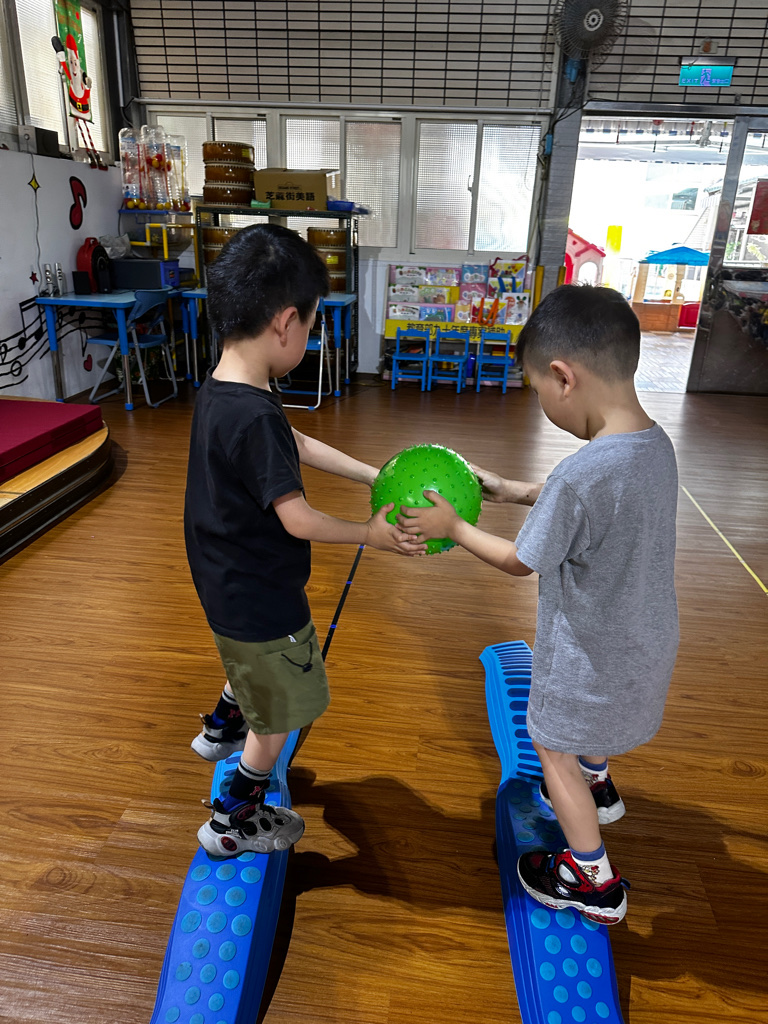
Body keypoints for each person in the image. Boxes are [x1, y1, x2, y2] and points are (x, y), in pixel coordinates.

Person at [398, 285, 678, 924]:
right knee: (591, 735)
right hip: (646, 643)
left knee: (551, 747)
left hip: (587, 658)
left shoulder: (581, 476)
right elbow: (593, 504)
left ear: (564, 377)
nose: (543, 404)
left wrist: (454, 526)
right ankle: (598, 785)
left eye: (537, 391)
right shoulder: (654, 444)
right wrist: (510, 489)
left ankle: (591, 877)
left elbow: (519, 560)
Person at [184, 223, 423, 858]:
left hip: (221, 575)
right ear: (286, 322)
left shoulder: (226, 387)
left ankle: (222, 724)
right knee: (285, 707)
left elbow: (297, 443)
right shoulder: (254, 415)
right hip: (260, 592)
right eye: (313, 328)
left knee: (247, 658)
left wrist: (375, 475)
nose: (310, 339)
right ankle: (234, 814)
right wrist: (370, 534)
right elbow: (299, 519)